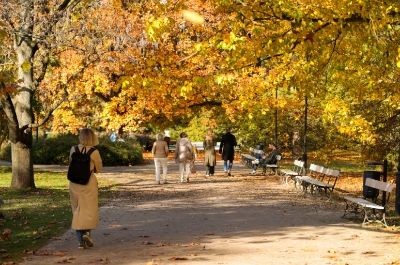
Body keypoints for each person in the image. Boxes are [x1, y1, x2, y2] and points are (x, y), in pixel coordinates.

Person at [69, 128, 103, 249]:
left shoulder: (73, 149)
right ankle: (87, 234)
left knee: (77, 209)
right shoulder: (94, 152)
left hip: (74, 183)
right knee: (88, 210)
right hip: (88, 183)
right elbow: (99, 169)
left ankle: (80, 241)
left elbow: (70, 163)